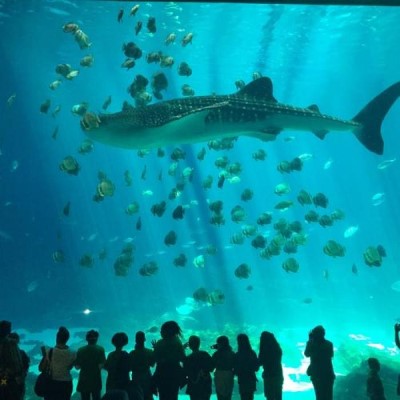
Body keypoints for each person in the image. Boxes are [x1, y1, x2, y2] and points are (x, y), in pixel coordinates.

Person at [152, 321, 186, 400]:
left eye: (162, 330)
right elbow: (183, 358)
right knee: (174, 395)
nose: (160, 332)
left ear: (166, 331)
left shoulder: (160, 343)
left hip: (162, 373)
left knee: (163, 395)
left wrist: (155, 348)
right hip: (175, 373)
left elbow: (155, 359)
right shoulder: (178, 342)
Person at [41, 326, 76, 400]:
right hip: (66, 384)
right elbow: (70, 367)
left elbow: (42, 368)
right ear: (67, 338)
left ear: (57, 338)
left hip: (52, 383)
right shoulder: (73, 352)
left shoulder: (50, 351)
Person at [304, 325, 335, 400]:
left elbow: (306, 354)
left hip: (317, 375)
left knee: (319, 396)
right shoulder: (329, 344)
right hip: (328, 374)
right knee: (328, 397)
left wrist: (310, 341)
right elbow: (331, 355)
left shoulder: (312, 344)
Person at [75, 329, 106, 400]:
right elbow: (102, 365)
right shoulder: (100, 349)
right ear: (97, 339)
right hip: (96, 380)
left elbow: (77, 367)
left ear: (86, 339)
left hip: (84, 381)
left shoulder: (80, 350)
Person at [183, 335, 214, 400]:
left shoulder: (188, 358)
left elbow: (185, 372)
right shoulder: (205, 354)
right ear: (199, 344)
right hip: (206, 384)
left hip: (193, 386)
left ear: (190, 346)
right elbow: (212, 368)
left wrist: (182, 349)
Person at [0, 320, 24, 400]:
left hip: (4, 378)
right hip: (11, 379)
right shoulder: (11, 344)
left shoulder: (8, 343)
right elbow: (16, 364)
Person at [129, 331, 155, 400]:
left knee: (137, 396)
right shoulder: (149, 352)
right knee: (148, 396)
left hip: (136, 378)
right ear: (144, 339)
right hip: (147, 378)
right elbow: (152, 364)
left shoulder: (132, 353)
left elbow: (130, 368)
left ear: (135, 340)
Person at [233, 333, 259, 400]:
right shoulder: (252, 353)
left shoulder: (237, 354)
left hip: (242, 380)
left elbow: (235, 371)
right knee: (250, 397)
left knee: (243, 397)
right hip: (251, 379)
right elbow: (256, 368)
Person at [258, 331, 283, 400]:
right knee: (278, 396)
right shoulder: (277, 349)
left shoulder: (264, 350)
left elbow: (259, 362)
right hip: (278, 374)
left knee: (270, 396)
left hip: (269, 375)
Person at [211, 336, 235, 400]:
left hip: (219, 375)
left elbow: (211, 366)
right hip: (229, 375)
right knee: (228, 396)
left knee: (220, 396)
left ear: (219, 344)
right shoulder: (232, 353)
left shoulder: (216, 354)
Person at [8, 332, 30, 399]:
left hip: (8, 383)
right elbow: (26, 367)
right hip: (18, 383)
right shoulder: (22, 353)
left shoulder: (3, 353)